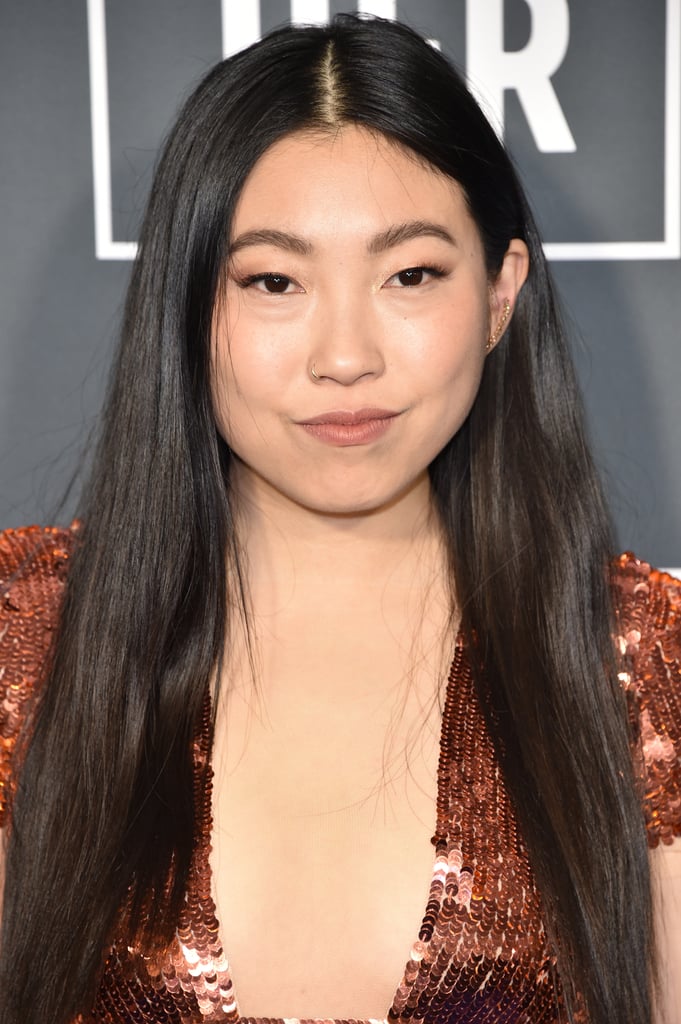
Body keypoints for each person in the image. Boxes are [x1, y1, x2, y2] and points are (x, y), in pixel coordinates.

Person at [0, 13, 679, 1024]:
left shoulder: (647, 655)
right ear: (185, 305)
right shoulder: (24, 636)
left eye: (411, 275)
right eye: (274, 281)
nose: (346, 355)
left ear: (500, 295)